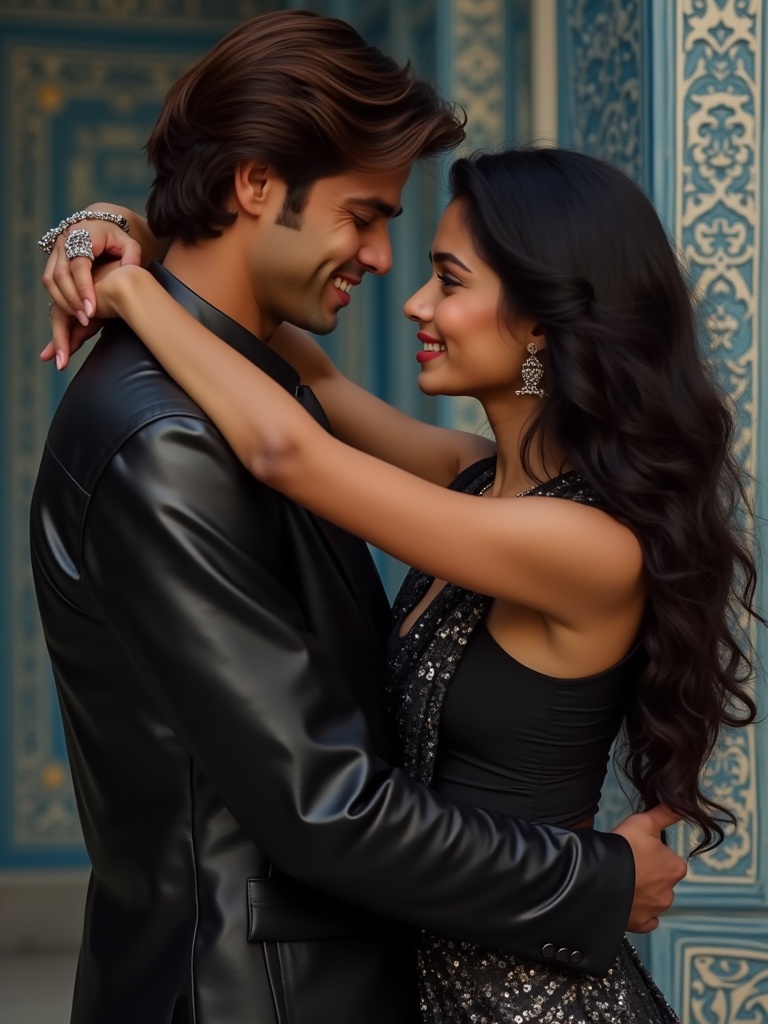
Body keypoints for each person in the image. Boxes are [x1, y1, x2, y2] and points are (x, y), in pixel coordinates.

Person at [32, 13, 686, 1024]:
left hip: (526, 994)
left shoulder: (580, 540)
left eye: (448, 277)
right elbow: (302, 381)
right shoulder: (468, 472)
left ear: (544, 328)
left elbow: (290, 437)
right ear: (256, 184)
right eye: (372, 220)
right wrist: (105, 233)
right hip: (371, 974)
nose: (400, 283)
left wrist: (124, 280)